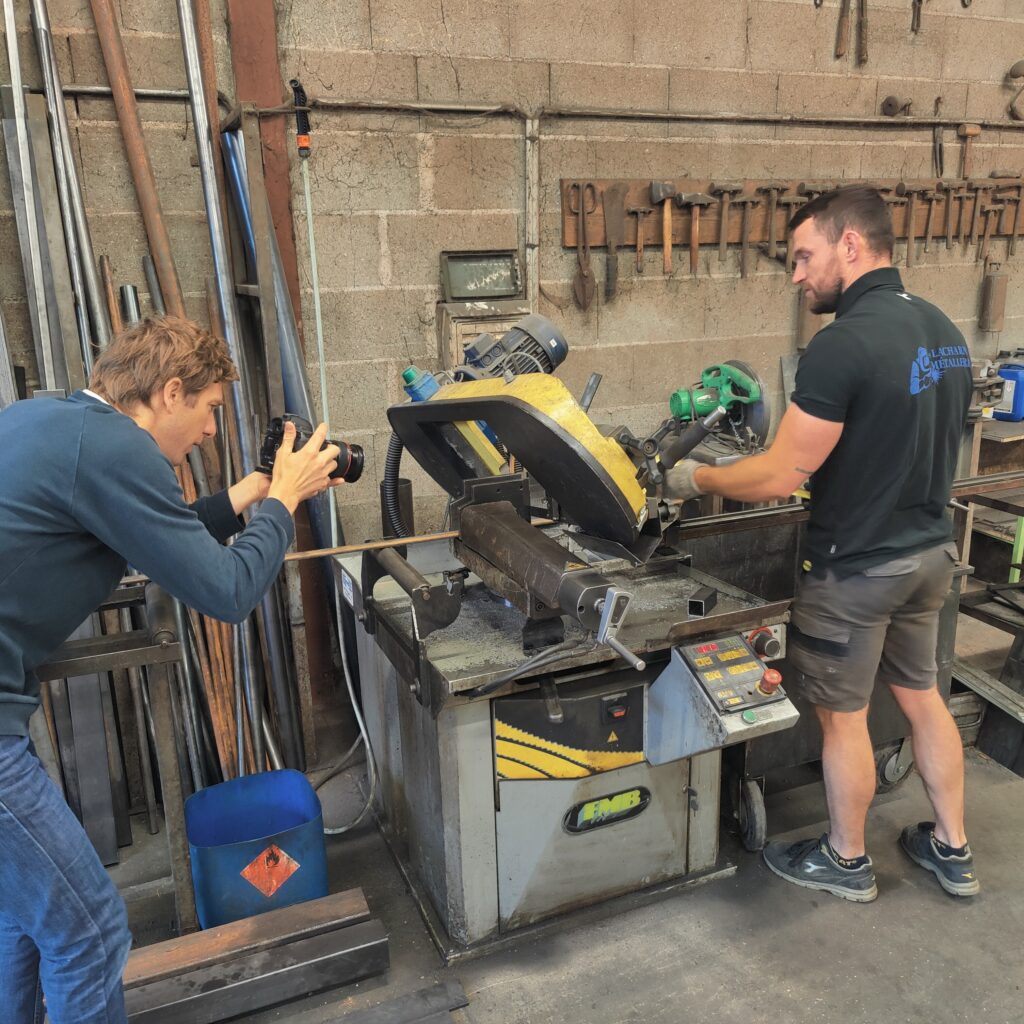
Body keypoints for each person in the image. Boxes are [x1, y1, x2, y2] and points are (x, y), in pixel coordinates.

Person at [0, 315, 343, 1022]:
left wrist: (242, 500)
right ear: (170, 391)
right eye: (211, 409)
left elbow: (143, 534)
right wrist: (282, 501)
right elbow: (225, 592)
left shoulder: (52, 423)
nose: (212, 431)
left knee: (23, 918)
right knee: (90, 933)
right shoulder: (121, 454)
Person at [665, 186, 975, 903]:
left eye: (804, 257)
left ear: (851, 245)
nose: (797, 275)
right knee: (925, 698)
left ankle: (845, 859)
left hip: (857, 569)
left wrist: (691, 478)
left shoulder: (841, 345)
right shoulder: (942, 329)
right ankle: (952, 850)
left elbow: (779, 474)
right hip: (929, 555)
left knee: (845, 719)